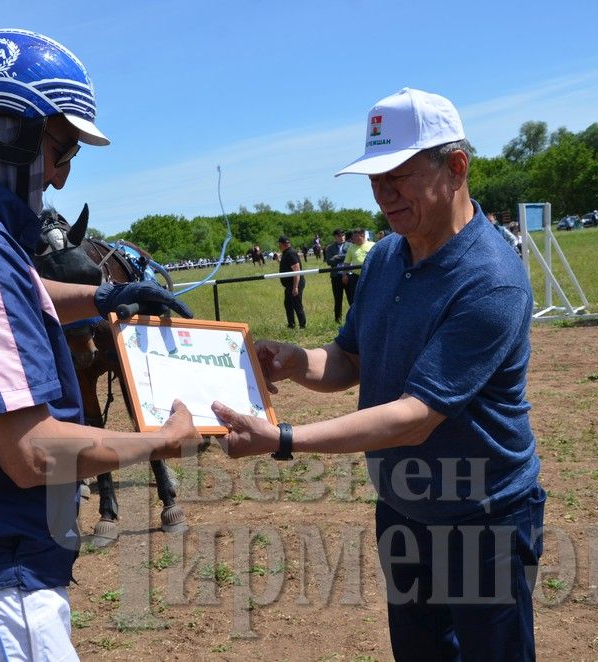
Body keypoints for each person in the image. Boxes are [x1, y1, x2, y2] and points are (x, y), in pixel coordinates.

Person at [0, 30, 203, 661]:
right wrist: (161, 441)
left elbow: (12, 288)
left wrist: (107, 299)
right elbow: (31, 452)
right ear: (3, 129)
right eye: (60, 147)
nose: (60, 172)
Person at [212, 87, 545, 661]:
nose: (383, 193)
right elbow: (351, 361)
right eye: (374, 178)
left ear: (456, 167)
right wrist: (295, 362)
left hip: (481, 518)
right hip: (403, 507)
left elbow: (414, 418)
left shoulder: (491, 278)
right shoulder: (389, 256)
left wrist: (286, 439)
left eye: (399, 174)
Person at [278, 235, 306, 328]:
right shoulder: (286, 252)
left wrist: (295, 287)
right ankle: (291, 325)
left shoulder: (290, 253)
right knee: (288, 304)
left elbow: (296, 270)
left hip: (294, 284)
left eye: (281, 244)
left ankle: (302, 326)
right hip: (289, 285)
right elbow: (287, 266)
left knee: (297, 305)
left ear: (281, 244)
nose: (280, 246)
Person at [342, 228, 375, 305]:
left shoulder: (373, 245)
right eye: (353, 237)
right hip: (356, 277)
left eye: (356, 237)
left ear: (362, 235)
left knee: (371, 296)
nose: (354, 239)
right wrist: (344, 275)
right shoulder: (351, 248)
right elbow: (346, 263)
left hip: (371, 276)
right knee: (356, 297)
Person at [323, 229, 349, 323]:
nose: (342, 237)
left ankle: (353, 319)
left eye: (343, 235)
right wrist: (343, 257)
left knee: (351, 299)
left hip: (348, 275)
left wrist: (337, 257)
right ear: (335, 237)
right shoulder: (330, 248)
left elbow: (350, 257)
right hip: (336, 276)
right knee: (338, 299)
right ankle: (338, 320)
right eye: (339, 236)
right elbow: (329, 261)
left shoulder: (350, 246)